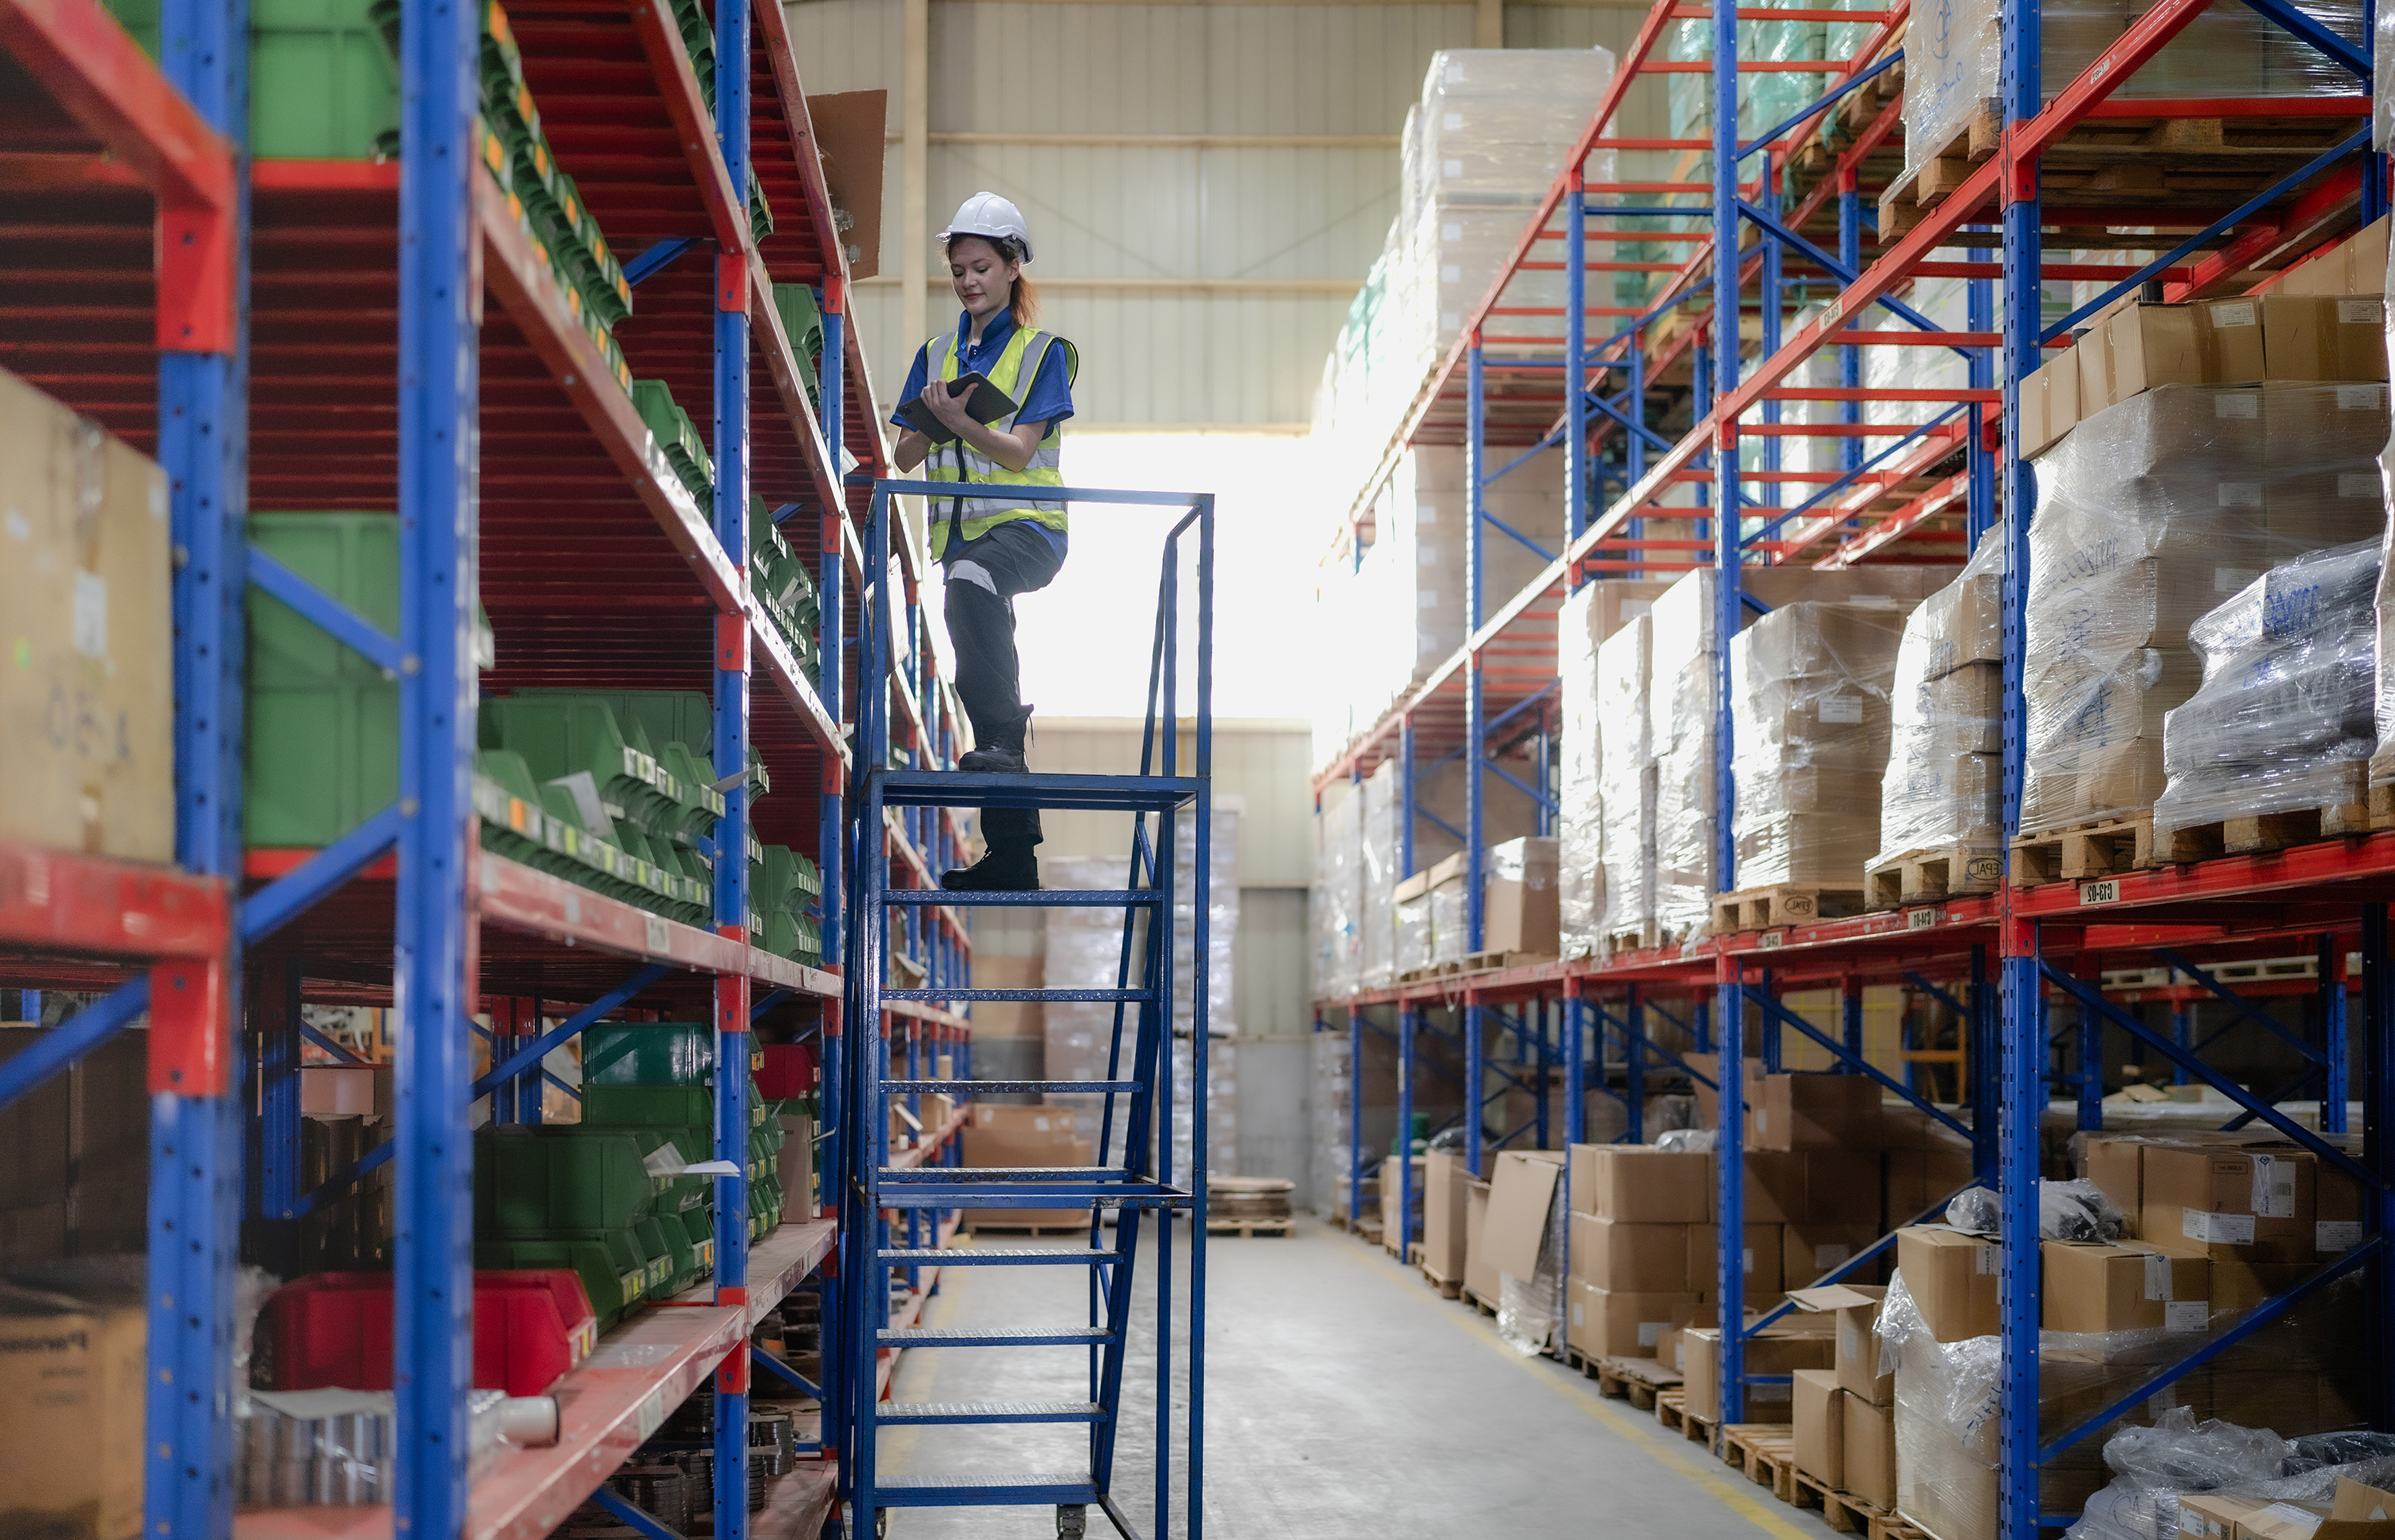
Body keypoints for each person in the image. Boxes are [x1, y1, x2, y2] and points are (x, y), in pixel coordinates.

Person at [892, 192, 1078, 892]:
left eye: (981, 268)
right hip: (966, 545)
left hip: (1030, 532)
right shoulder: (936, 355)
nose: (969, 281)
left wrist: (959, 417)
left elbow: (1019, 452)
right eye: (959, 270)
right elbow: (907, 454)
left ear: (1012, 268)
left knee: (970, 592)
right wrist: (936, 415)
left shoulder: (1043, 354)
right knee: (985, 683)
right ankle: (1012, 855)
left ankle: (1002, 741)